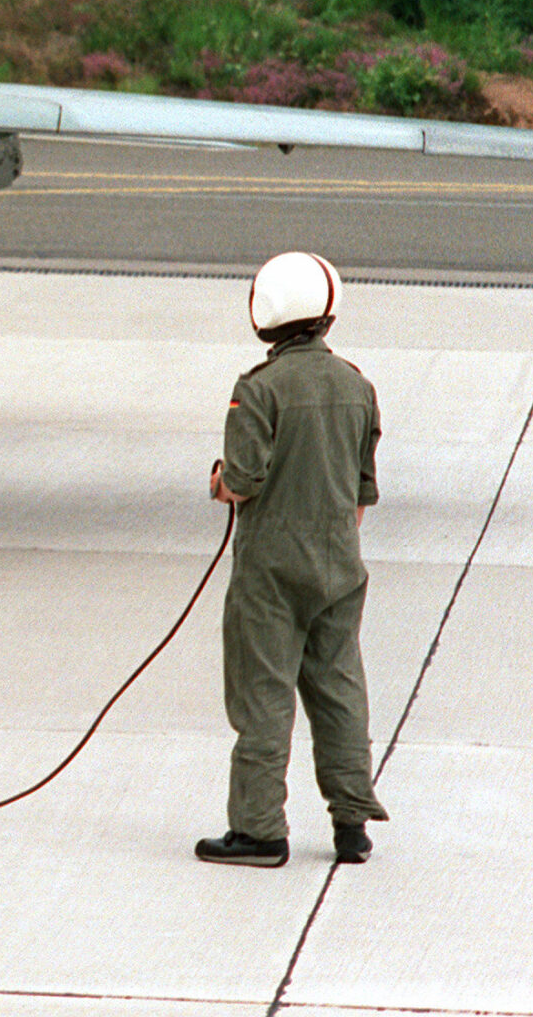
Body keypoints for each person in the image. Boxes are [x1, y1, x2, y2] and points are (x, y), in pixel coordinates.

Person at [196, 251, 391, 869]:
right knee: (339, 690)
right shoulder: (357, 385)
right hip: (339, 566)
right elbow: (362, 493)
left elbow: (244, 481)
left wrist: (219, 481)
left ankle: (259, 830)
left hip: (271, 572)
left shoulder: (257, 390)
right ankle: (352, 823)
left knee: (263, 696)